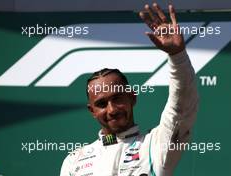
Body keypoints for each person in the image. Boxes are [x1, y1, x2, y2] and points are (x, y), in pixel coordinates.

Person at [60, 2, 198, 176]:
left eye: (117, 98)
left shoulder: (155, 145)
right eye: (102, 104)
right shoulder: (74, 161)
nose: (112, 109)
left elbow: (181, 107)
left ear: (132, 97)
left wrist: (178, 56)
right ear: (92, 110)